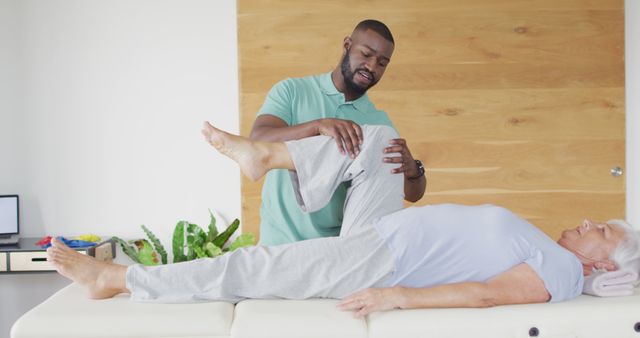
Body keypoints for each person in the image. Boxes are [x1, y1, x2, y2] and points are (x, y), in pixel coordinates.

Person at [47, 123, 640, 318]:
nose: (589, 221)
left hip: (385, 259)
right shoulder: (556, 251)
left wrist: (398, 296)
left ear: (600, 261)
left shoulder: (562, 271)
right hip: (382, 233)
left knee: (258, 264)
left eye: (603, 229)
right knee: (382, 142)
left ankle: (119, 281)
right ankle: (266, 155)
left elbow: (486, 295)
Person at [249, 19, 426, 245]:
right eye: (366, 54)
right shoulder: (293, 91)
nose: (372, 67)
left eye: (382, 63)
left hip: (334, 251)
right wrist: (317, 126)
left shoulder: (379, 124)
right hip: (279, 244)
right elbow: (257, 140)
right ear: (347, 45)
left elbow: (412, 193)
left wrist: (413, 170)